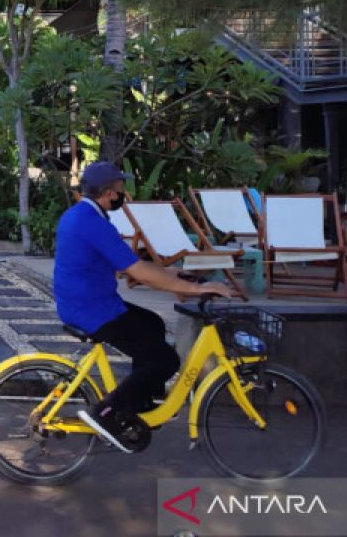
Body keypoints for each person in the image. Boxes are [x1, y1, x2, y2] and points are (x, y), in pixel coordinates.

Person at [53, 161, 234, 453]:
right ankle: (108, 412)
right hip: (93, 310)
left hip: (88, 302)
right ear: (109, 192)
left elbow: (134, 266)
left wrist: (182, 277)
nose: (124, 194)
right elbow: (139, 272)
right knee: (165, 361)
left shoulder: (80, 215)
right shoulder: (93, 224)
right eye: (121, 188)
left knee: (153, 324)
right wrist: (195, 289)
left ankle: (138, 404)